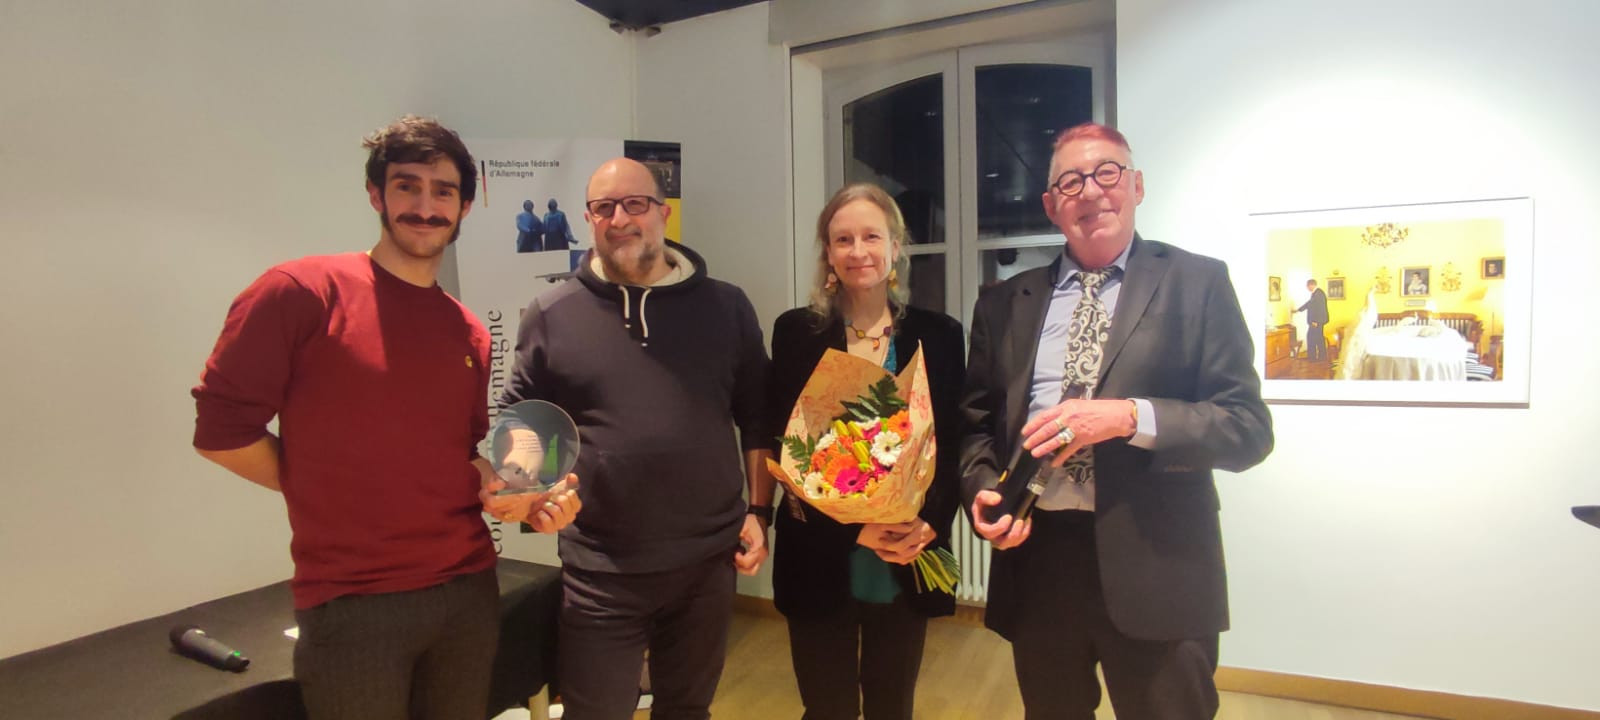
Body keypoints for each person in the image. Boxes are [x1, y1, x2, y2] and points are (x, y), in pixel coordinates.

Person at [191, 116, 580, 720]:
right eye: (407, 186)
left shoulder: (468, 331)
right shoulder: (301, 292)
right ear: (376, 194)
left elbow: (456, 453)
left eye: (443, 191)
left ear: (465, 206)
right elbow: (220, 435)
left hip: (469, 589)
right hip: (353, 602)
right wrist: (324, 487)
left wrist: (513, 494)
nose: (425, 206)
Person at [959, 122, 1274, 719]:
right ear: (1052, 205)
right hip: (1040, 560)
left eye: (1107, 172)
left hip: (1159, 561)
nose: (1092, 190)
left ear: (1136, 186)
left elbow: (1247, 428)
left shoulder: (1197, 283)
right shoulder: (1003, 302)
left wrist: (1132, 417)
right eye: (1070, 181)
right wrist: (979, 489)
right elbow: (976, 423)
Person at [499, 158, 772, 720]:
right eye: (604, 207)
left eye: (635, 204)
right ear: (588, 219)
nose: (620, 218)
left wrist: (759, 513)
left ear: (663, 213)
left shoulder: (727, 306)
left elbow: (758, 417)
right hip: (602, 570)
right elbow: (524, 421)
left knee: (687, 708)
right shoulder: (551, 312)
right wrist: (532, 496)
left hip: (706, 562)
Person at [766, 184, 965, 720]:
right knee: (826, 706)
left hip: (903, 548)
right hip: (819, 551)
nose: (859, 251)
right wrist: (855, 528)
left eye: (872, 236)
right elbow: (790, 452)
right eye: (843, 239)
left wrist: (930, 525)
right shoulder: (795, 333)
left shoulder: (940, 335)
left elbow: (952, 445)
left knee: (892, 704)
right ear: (828, 254)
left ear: (895, 246)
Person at [1295, 278, 1330, 361]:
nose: (1307, 288)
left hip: (1317, 321)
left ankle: (1315, 358)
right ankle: (1317, 357)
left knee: (1314, 338)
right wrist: (1298, 310)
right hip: (1317, 321)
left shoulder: (1318, 294)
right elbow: (1309, 304)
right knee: (1317, 338)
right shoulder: (1315, 293)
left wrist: (1315, 321)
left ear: (1312, 285)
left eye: (1308, 286)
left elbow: (1319, 309)